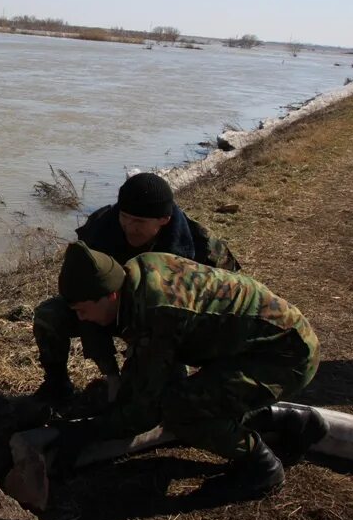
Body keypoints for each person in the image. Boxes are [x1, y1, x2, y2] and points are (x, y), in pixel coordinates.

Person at [47, 242, 324, 498]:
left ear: (111, 295)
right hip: (263, 344)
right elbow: (145, 371)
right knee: (191, 395)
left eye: (83, 311)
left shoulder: (158, 312)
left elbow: (145, 413)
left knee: (178, 410)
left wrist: (84, 433)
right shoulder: (137, 272)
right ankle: (290, 421)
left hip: (285, 358)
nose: (82, 320)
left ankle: (262, 467)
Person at [33, 172, 240, 401]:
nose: (129, 227)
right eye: (124, 217)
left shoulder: (203, 248)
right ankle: (57, 387)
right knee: (50, 315)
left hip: (170, 322)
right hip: (111, 310)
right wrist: (110, 372)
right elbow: (86, 299)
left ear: (164, 220)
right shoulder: (100, 229)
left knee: (163, 395)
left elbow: (230, 307)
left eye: (139, 222)